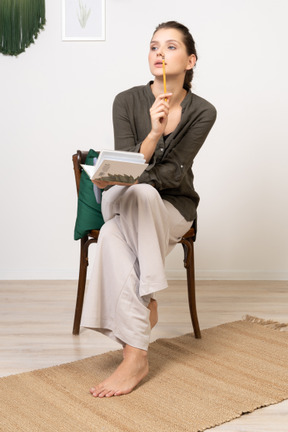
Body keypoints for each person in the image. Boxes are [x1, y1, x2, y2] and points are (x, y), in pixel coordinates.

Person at [81, 21, 217, 398]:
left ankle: (135, 353)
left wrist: (139, 174)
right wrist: (154, 134)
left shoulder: (203, 111)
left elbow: (175, 174)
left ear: (190, 60)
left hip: (171, 207)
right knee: (137, 195)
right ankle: (149, 296)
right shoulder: (126, 100)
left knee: (112, 233)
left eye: (171, 47)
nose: (159, 53)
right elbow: (124, 166)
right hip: (120, 197)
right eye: (154, 46)